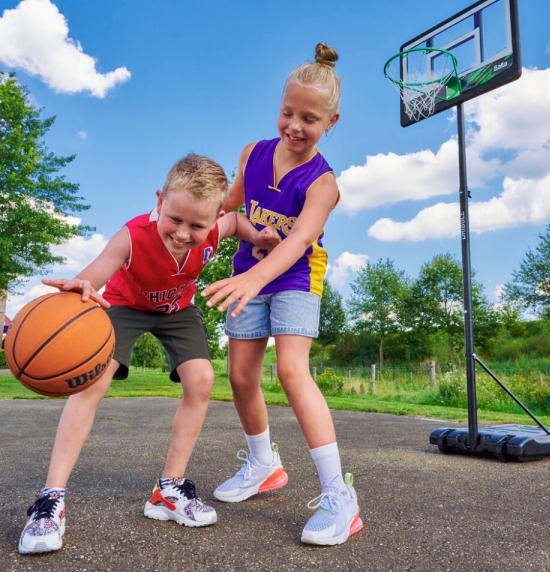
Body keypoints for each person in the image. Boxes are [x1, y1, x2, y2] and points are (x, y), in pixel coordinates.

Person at [18, 154, 279, 555]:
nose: (183, 232)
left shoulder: (215, 228)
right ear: (160, 200)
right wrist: (81, 285)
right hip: (125, 306)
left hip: (178, 310)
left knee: (202, 380)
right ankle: (50, 499)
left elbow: (236, 221)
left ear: (213, 218)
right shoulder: (132, 236)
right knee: (95, 380)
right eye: (174, 219)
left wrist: (256, 236)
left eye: (197, 225)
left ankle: (168, 490)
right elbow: (101, 267)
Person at [202, 43, 363, 546]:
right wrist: (193, 229)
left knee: (292, 370)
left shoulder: (324, 183)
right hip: (250, 269)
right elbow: (231, 210)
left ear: (331, 121)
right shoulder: (253, 153)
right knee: (241, 375)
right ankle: (264, 464)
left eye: (309, 119)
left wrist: (256, 275)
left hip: (295, 276)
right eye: (287, 112)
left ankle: (340, 497)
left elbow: (298, 243)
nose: (295, 125)